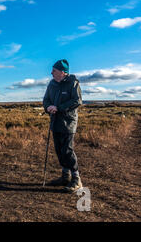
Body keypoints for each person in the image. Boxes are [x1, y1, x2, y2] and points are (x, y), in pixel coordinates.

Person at [43, 59, 83, 193]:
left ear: (62, 72)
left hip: (68, 122)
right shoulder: (52, 84)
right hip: (55, 121)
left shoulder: (73, 83)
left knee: (67, 150)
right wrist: (48, 107)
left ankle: (76, 179)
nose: (51, 73)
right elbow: (46, 99)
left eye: (54, 70)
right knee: (59, 150)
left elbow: (77, 101)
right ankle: (65, 176)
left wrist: (59, 108)